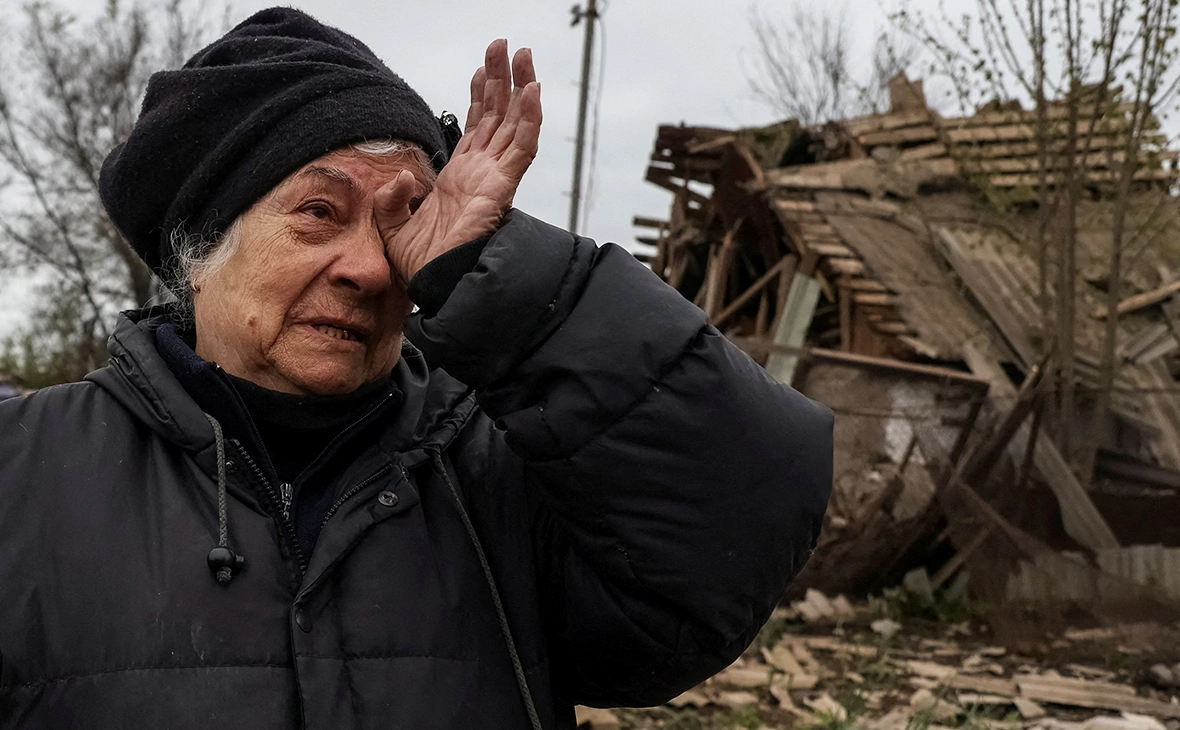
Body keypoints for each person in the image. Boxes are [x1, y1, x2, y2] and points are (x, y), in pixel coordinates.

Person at [0, 7, 832, 729]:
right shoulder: (24, 472)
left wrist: (504, 278)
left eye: (404, 221)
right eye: (318, 213)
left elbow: (732, 534)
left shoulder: (498, 473)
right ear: (199, 252)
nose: (369, 267)